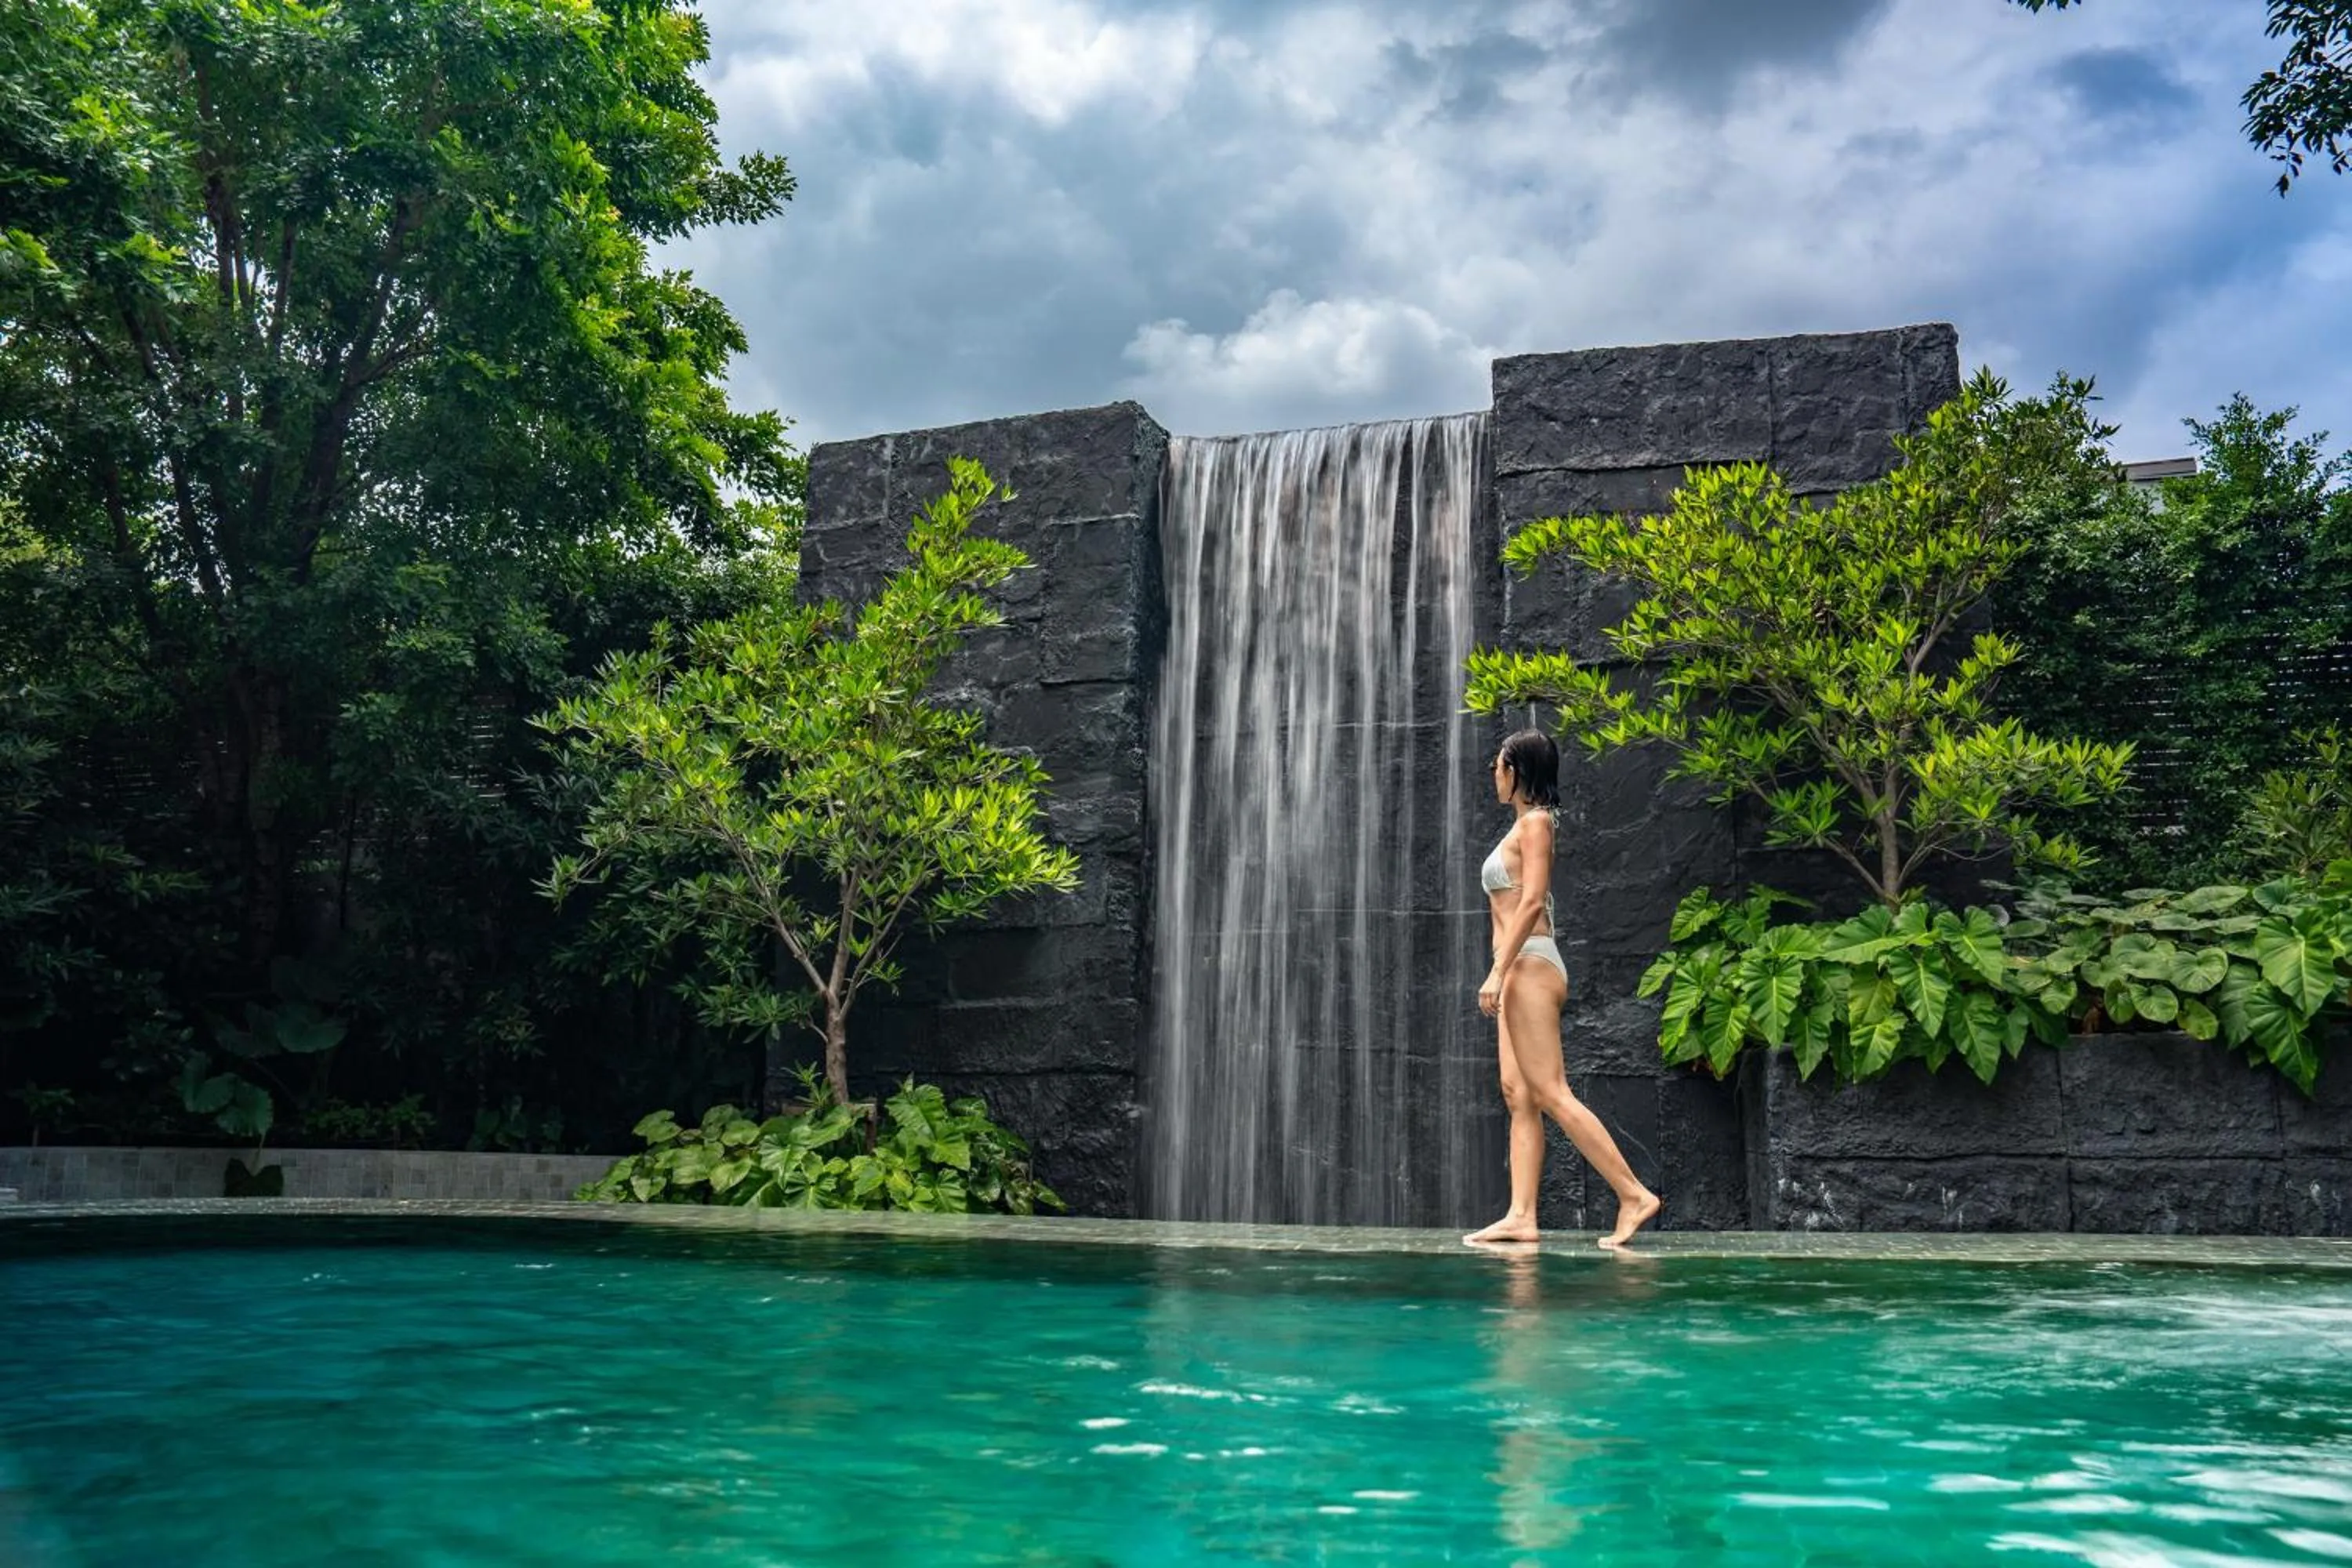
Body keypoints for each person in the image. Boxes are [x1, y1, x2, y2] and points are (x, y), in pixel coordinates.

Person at [1465, 728, 1662, 1250]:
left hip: (1528, 964)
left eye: (1499, 765)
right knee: (1519, 1095)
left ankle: (1633, 1194)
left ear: (1518, 771)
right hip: (1515, 966)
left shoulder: (1536, 824)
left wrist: (1497, 972)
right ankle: (1521, 1215)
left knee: (1551, 1091)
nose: (1493, 773)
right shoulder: (1520, 827)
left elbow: (1531, 904)